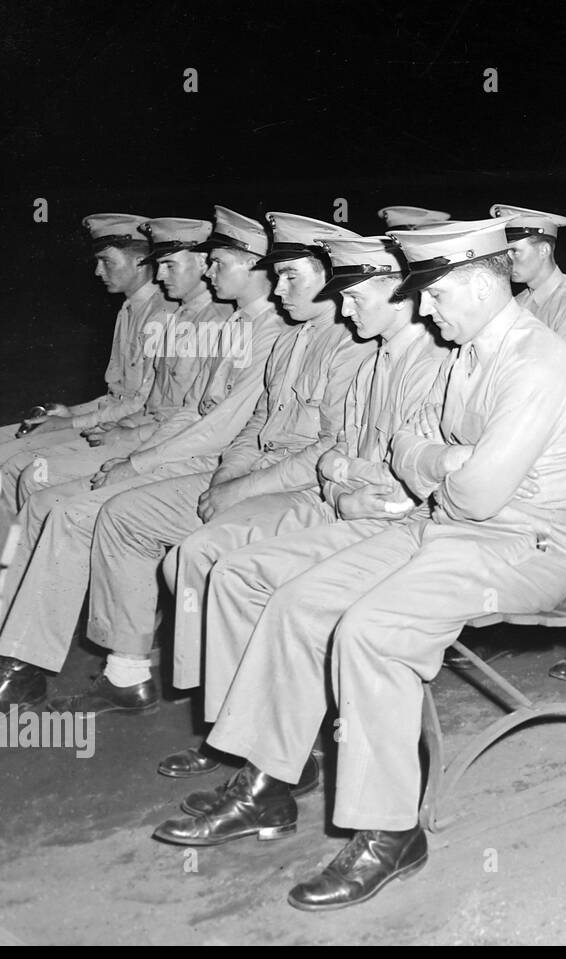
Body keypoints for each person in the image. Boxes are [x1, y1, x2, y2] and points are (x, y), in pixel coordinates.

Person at [151, 215, 566, 913]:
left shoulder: (535, 363)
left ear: (481, 285)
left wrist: (438, 462)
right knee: (299, 600)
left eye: (435, 293)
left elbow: (474, 489)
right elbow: (425, 459)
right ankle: (269, 781)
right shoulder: (471, 351)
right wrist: (441, 462)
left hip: (527, 546)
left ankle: (390, 831)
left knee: (372, 628)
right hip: (446, 524)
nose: (422, 307)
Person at [85, 214, 373, 773]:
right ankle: (212, 712)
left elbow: (323, 452)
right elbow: (254, 424)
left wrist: (241, 486)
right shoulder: (292, 338)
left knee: (203, 557)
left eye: (290, 277)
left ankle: (253, 733)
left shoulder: (348, 346)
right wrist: (224, 478)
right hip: (250, 474)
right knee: (126, 515)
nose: (279, 287)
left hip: (305, 488)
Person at [159, 230, 448, 783]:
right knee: (211, 561)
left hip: (391, 523)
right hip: (343, 505)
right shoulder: (376, 360)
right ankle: (241, 734)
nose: (341, 308)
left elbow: (398, 484)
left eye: (354, 296)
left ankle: (268, 752)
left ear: (397, 293)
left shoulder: (429, 364)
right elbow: (337, 458)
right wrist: (344, 484)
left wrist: (346, 481)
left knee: (251, 581)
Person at [0, 212, 285, 714]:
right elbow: (183, 409)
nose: (210, 275)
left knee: (67, 508)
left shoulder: (267, 331)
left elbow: (212, 427)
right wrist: (131, 442)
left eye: (215, 263)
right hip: (185, 446)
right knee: (47, 499)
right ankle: (20, 650)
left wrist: (139, 458)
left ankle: (37, 663)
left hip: (215, 463)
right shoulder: (236, 323)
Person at [1, 218, 232, 510]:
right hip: (138, 430)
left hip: (160, 442)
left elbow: (174, 412)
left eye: (106, 262)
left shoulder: (195, 320)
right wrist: (74, 414)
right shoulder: (153, 312)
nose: (159, 276)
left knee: (29, 474)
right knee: (12, 459)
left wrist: (82, 423)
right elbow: (134, 396)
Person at [490, 203, 566, 359]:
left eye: (515, 251)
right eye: (505, 254)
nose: (508, 261)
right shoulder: (518, 302)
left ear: (544, 250)